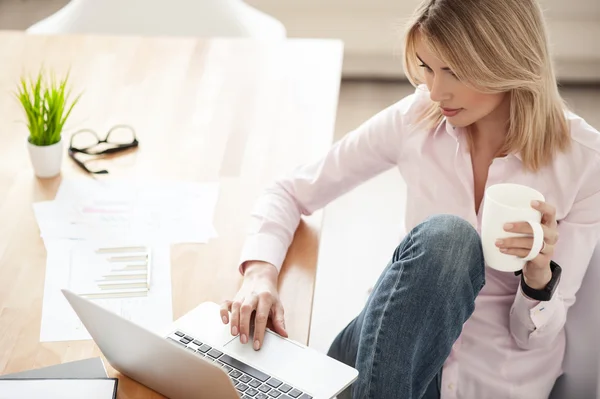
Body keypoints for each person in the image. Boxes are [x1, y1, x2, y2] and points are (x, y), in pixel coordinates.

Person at [219, 0, 600, 398]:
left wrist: (538, 280)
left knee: (451, 239)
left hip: (490, 382)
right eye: (427, 67)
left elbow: (532, 339)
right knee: (449, 239)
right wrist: (259, 274)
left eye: (453, 71)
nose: (435, 91)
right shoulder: (417, 120)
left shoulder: (583, 162)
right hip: (382, 358)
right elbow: (290, 190)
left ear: (507, 59)